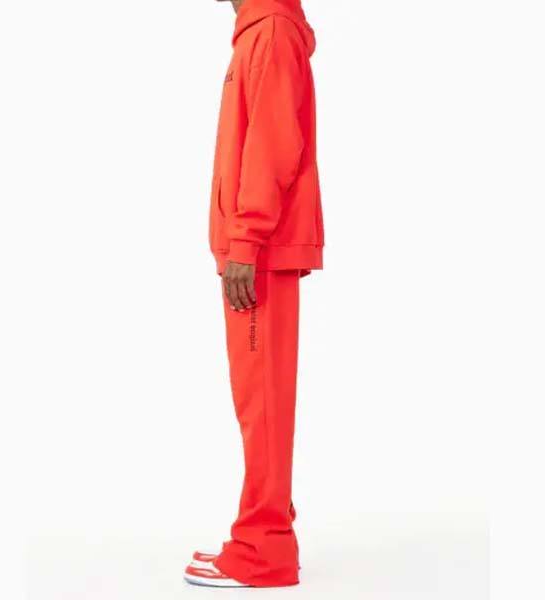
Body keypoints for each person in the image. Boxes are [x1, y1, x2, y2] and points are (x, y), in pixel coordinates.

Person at [184, 0, 324, 588]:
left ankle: (265, 549)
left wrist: (245, 240)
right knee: (258, 403)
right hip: (254, 247)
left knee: (262, 404)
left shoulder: (270, 31)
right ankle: (264, 528)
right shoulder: (258, 32)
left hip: (258, 251)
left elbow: (273, 145)